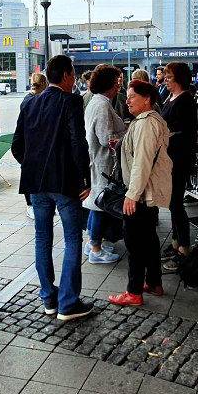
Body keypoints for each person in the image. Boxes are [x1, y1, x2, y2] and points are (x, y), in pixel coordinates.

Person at [12, 54, 97, 322]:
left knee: (42, 238)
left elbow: (17, 146)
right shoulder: (70, 101)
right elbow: (77, 141)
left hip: (36, 185)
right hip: (64, 182)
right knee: (72, 238)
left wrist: (33, 165)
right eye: (72, 74)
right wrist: (85, 177)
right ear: (67, 75)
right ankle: (68, 302)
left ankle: (48, 298)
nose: (74, 79)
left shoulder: (30, 103)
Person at [108, 79, 173, 306]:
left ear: (147, 99)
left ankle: (133, 292)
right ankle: (154, 282)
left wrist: (131, 194)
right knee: (149, 239)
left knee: (134, 242)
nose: (127, 100)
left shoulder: (146, 123)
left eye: (132, 96)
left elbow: (142, 162)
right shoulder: (148, 121)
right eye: (126, 96)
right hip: (146, 192)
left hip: (142, 193)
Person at [81, 65, 125, 264]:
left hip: (99, 163)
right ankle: (96, 248)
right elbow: (107, 138)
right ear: (108, 84)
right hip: (103, 164)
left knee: (95, 205)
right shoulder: (101, 104)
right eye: (116, 83)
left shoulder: (99, 102)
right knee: (100, 206)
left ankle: (93, 243)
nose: (118, 87)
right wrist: (126, 134)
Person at [159, 62, 197, 261]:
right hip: (169, 158)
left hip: (179, 159)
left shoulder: (186, 100)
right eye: (165, 76)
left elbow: (184, 132)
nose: (165, 79)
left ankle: (184, 246)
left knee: (176, 202)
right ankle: (175, 242)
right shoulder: (170, 97)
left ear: (180, 79)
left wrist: (164, 136)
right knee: (172, 202)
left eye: (169, 76)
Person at [20, 72, 49, 218]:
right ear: (44, 84)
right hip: (33, 145)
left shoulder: (28, 99)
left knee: (31, 175)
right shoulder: (33, 100)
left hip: (29, 145)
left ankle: (33, 204)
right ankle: (31, 204)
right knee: (32, 176)